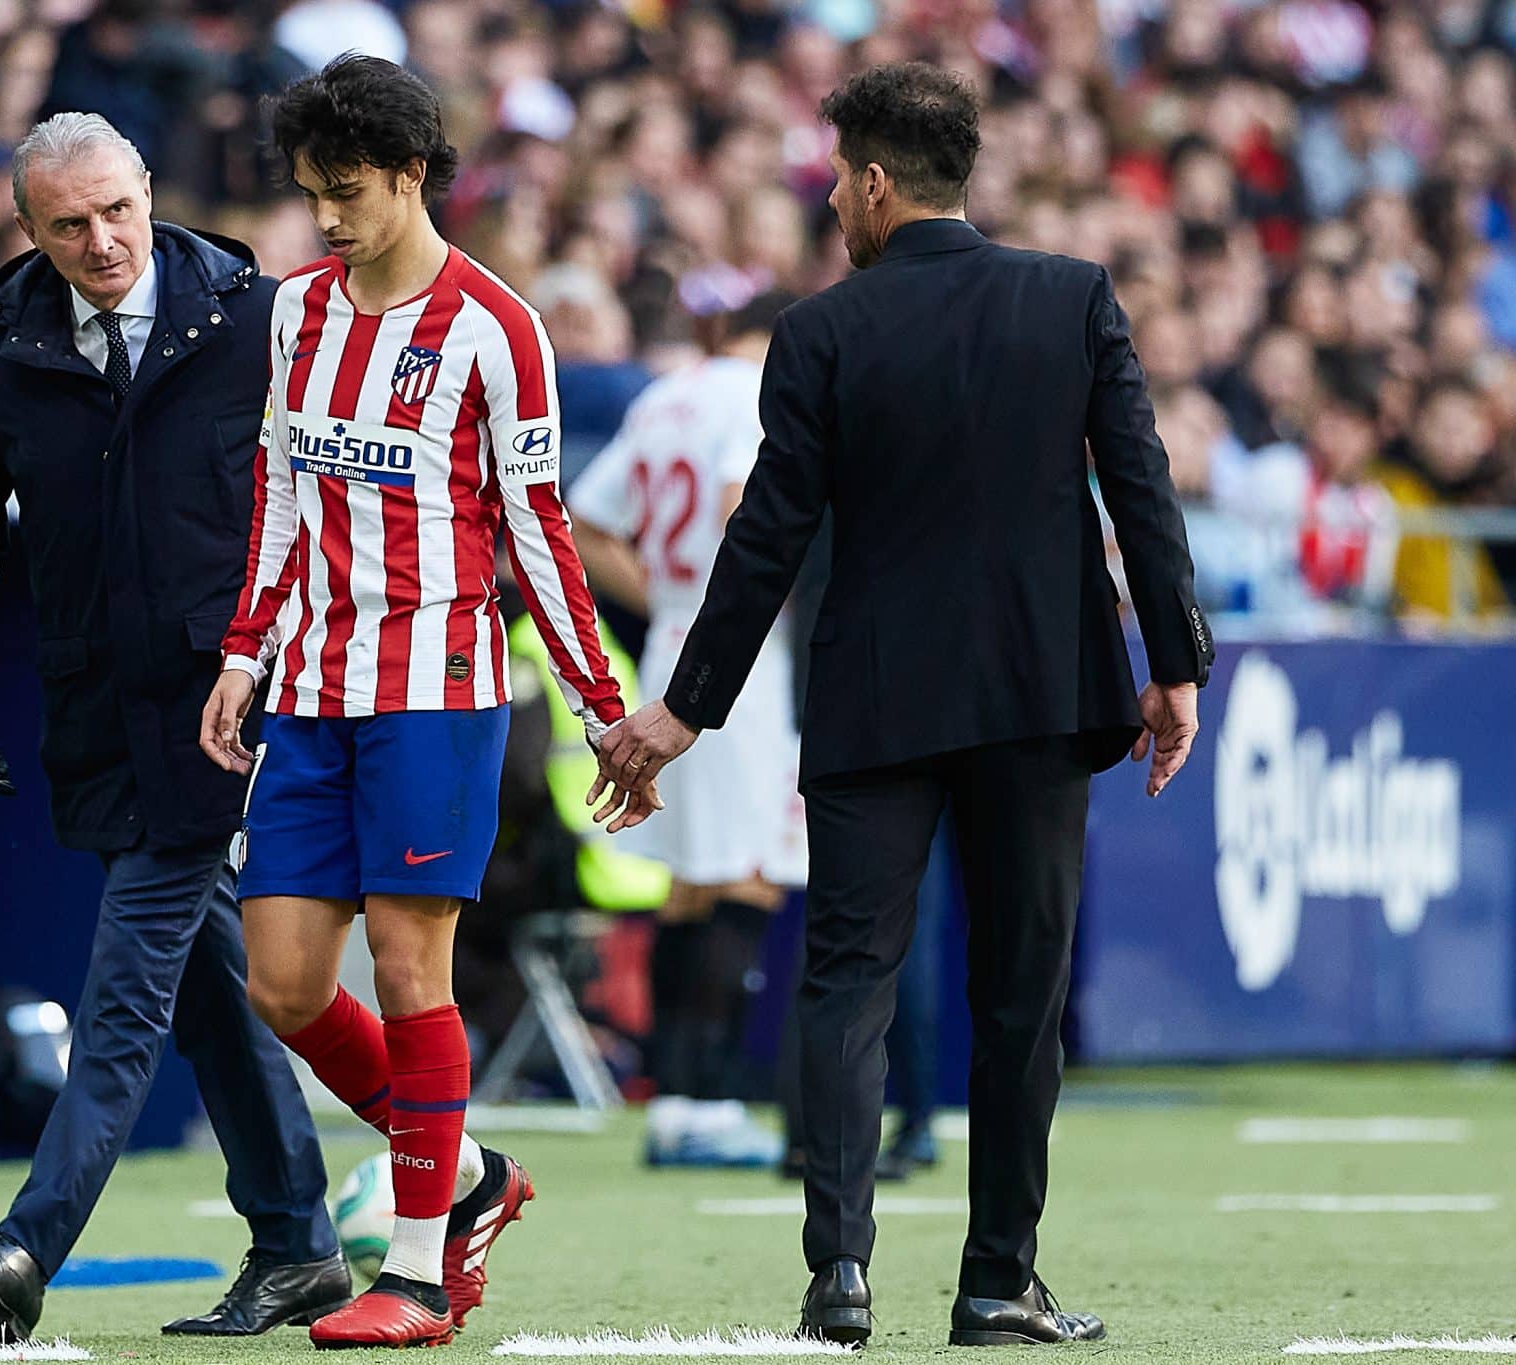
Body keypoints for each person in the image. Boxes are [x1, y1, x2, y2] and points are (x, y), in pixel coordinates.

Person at [597, 63, 1214, 1348]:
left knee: (845, 982)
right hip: (1045, 691)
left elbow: (764, 537)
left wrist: (683, 709)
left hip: (873, 695)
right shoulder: (1071, 298)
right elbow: (1141, 495)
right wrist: (1175, 667)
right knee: (1017, 993)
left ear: (875, 183)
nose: (830, 200)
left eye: (834, 178)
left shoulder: (819, 332)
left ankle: (840, 1275)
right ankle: (996, 1279)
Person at [198, 55, 650, 1350]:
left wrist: (601, 701)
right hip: (313, 691)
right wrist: (246, 651)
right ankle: (461, 1177)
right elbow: (282, 497)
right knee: (282, 984)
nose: (327, 218)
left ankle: (413, 1272)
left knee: (409, 968)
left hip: (440, 694)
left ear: (410, 175)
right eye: (310, 196)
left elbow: (540, 529)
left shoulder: (497, 329)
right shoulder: (296, 314)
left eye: (346, 193)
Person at [0, 111, 344, 1344]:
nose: (101, 241)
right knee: (212, 991)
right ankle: (302, 1244)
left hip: (232, 714)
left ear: (149, 191)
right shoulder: (0, 348)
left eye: (116, 210)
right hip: (97, 715)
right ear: (27, 230)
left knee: (128, 987)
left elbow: (329, 504)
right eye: (68, 224)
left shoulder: (262, 318)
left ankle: (25, 1245)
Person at [566, 291, 807, 1168]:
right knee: (745, 875)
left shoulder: (668, 394)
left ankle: (674, 1098)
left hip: (678, 639)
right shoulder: (756, 398)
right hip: (743, 653)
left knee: (689, 884)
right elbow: (752, 502)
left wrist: (673, 603)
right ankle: (702, 1102)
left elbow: (587, 521)